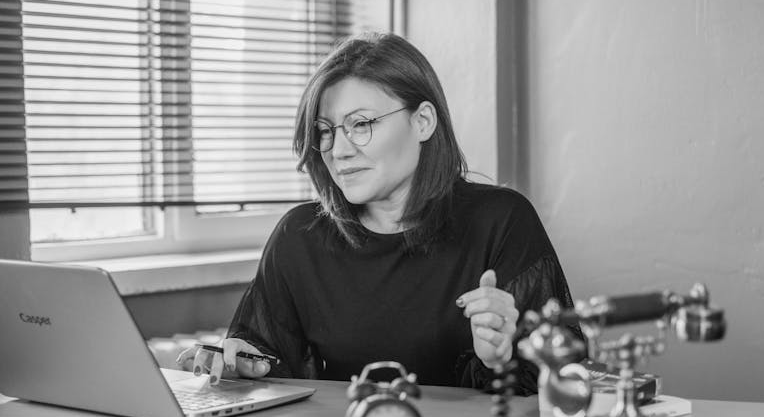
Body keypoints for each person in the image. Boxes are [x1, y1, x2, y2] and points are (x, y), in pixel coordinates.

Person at [186, 32, 575, 395]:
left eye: (360, 124)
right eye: (326, 130)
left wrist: (500, 360)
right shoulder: (299, 235)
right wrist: (240, 363)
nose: (338, 150)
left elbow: (565, 385)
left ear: (422, 121)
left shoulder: (502, 221)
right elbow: (268, 361)